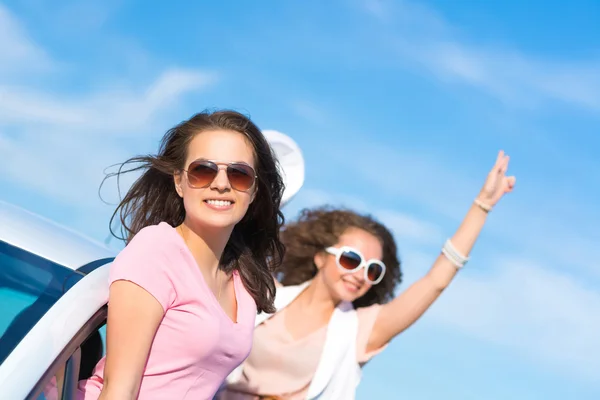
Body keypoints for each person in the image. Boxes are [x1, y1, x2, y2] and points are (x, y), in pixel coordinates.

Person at [220, 151, 516, 399]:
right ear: (321, 257)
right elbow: (230, 244)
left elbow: (435, 282)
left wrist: (483, 206)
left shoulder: (360, 331)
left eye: (373, 270)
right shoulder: (265, 294)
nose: (361, 273)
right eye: (351, 259)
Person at [77, 110, 286, 399]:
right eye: (204, 170)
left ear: (253, 191)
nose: (221, 183)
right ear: (179, 181)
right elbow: (119, 388)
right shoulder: (156, 251)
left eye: (239, 174)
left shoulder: (244, 282)